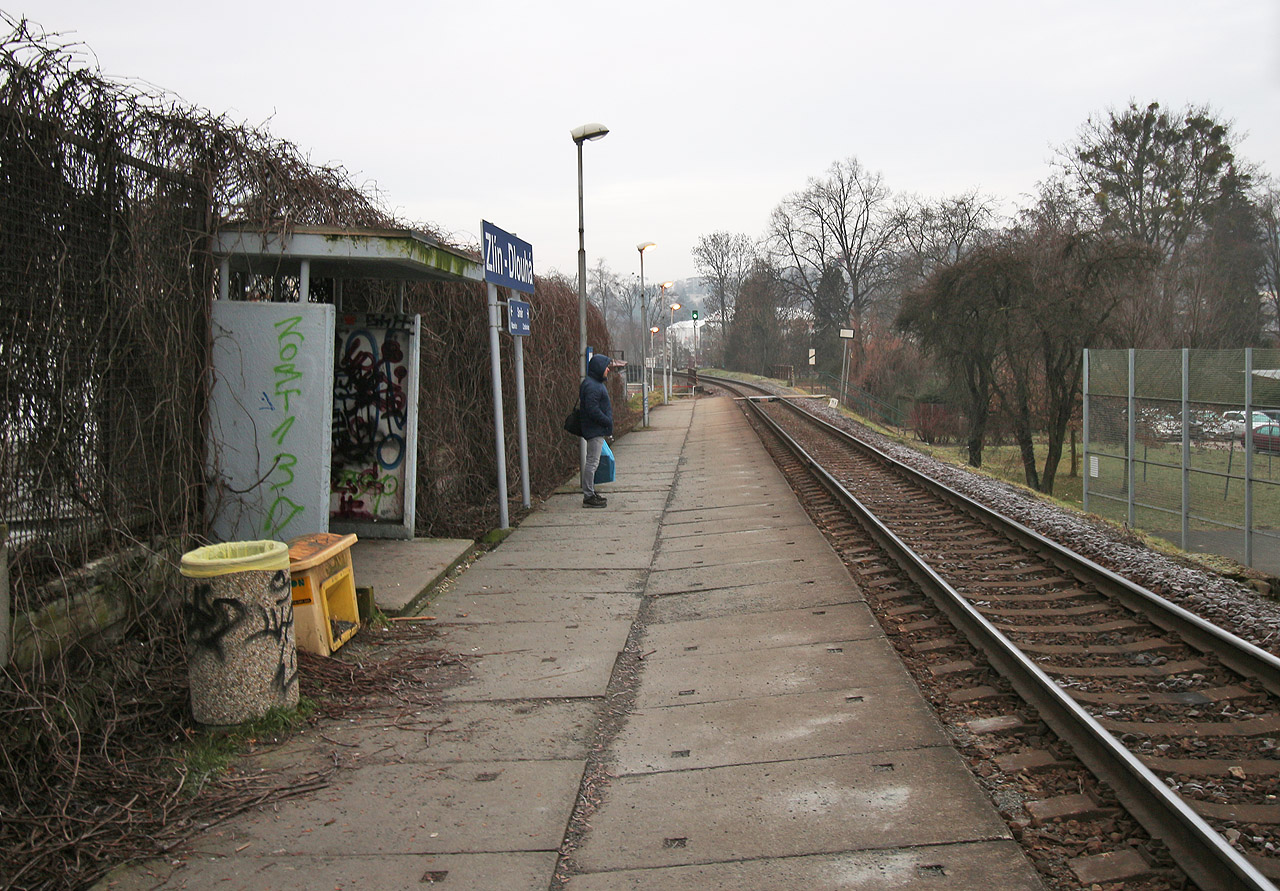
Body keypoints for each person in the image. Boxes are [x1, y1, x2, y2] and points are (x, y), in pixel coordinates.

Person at [579, 352, 613, 508]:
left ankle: (590, 492)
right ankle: (588, 495)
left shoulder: (592, 383)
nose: (608, 370)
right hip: (595, 429)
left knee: (593, 461)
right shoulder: (593, 386)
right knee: (592, 462)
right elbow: (592, 409)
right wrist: (606, 421)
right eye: (607, 367)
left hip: (595, 428)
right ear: (600, 368)